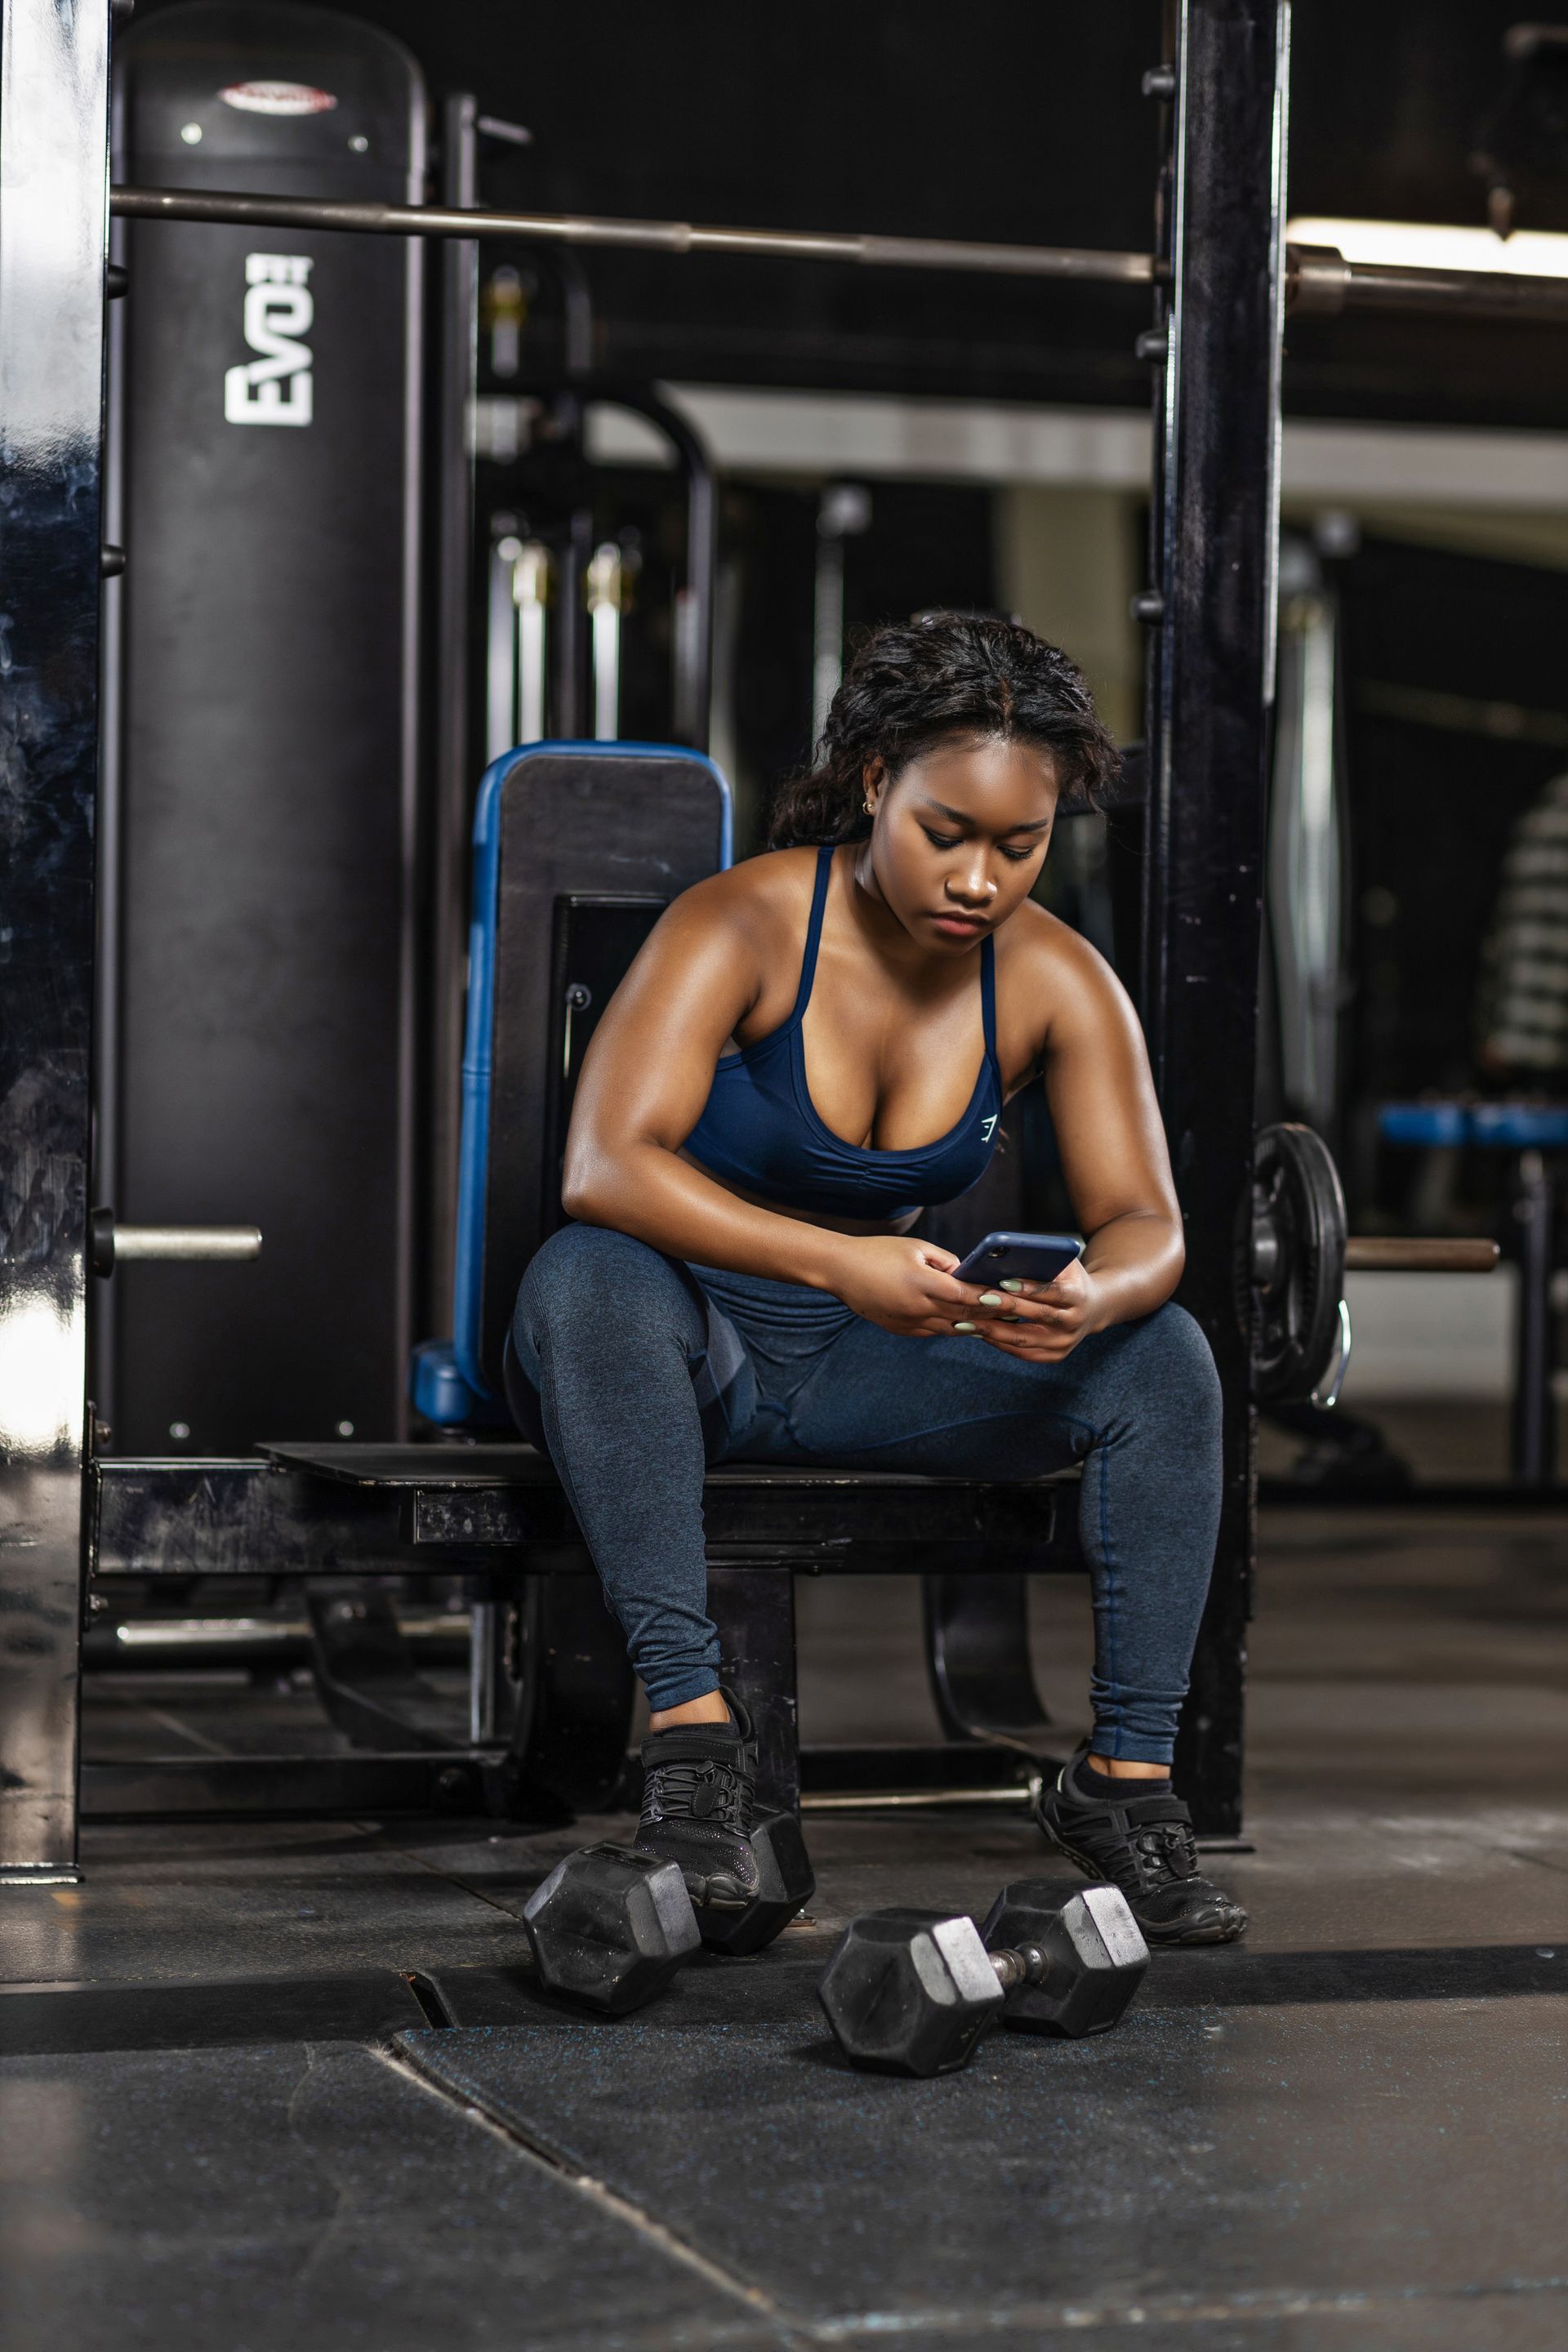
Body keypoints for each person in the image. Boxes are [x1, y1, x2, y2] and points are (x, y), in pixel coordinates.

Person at [508, 615, 1245, 1946]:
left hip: (867, 1366)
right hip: (678, 1348)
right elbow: (607, 1166)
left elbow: (1149, 1221)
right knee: (585, 1274)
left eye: (1019, 846)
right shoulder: (743, 921)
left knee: (1165, 1355)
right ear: (873, 786)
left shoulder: (1058, 980)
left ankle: (1124, 1784)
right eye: (946, 831)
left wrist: (1093, 1292)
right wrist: (837, 1260)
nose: (979, 878)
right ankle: (692, 1745)